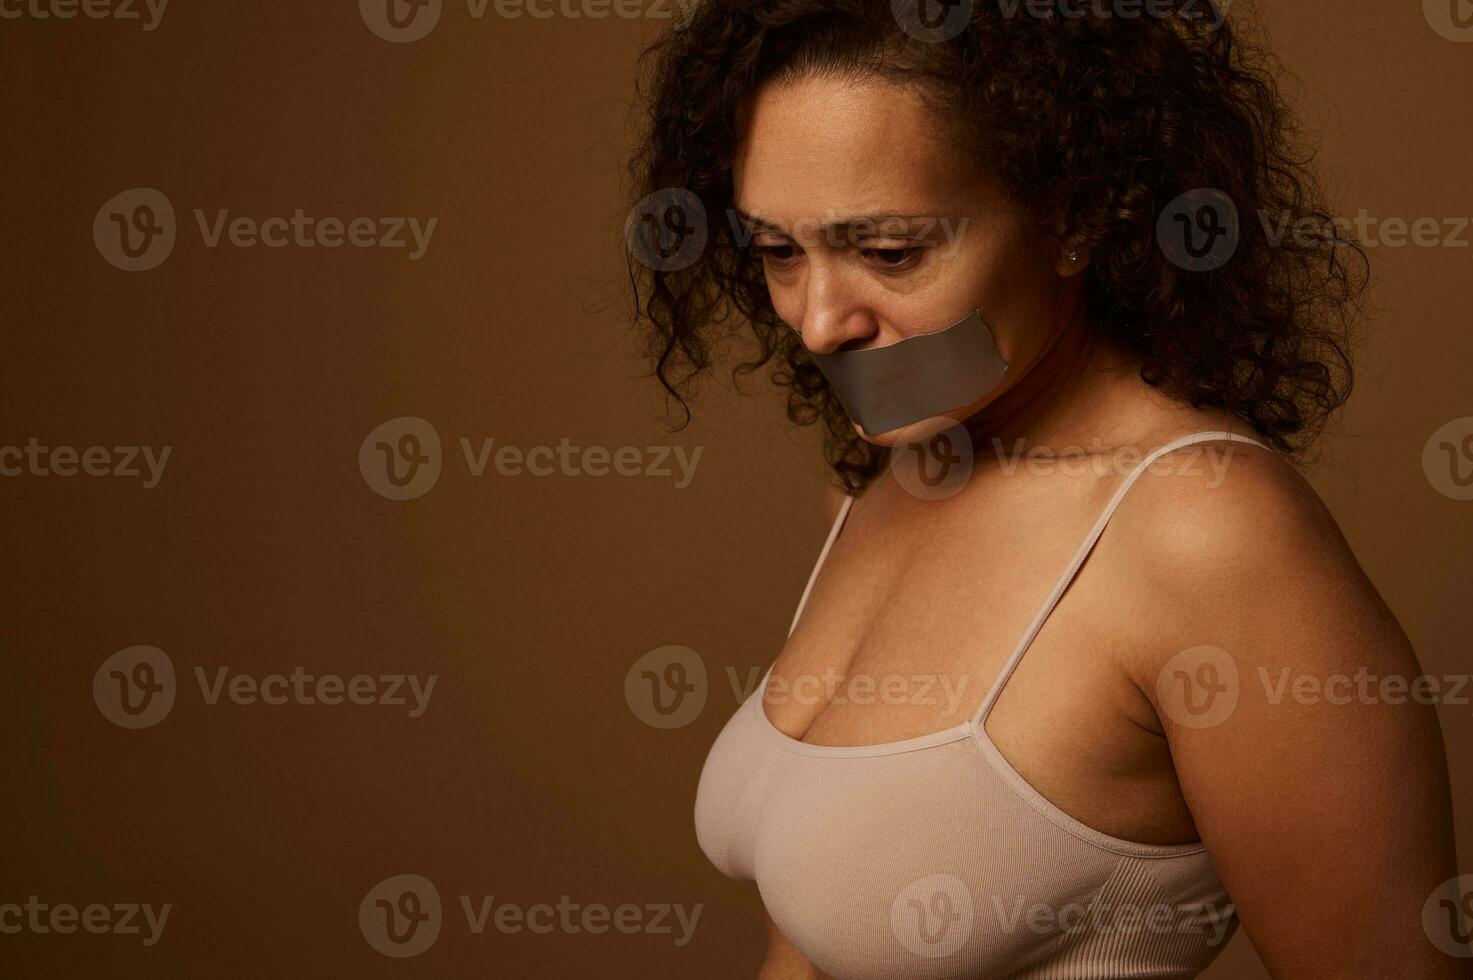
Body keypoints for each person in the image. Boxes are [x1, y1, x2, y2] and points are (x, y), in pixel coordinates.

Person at [626, 2, 1465, 976]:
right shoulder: (882, 488)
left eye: (890, 251)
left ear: (1071, 216)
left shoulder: (1205, 532)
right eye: (779, 252)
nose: (818, 323)